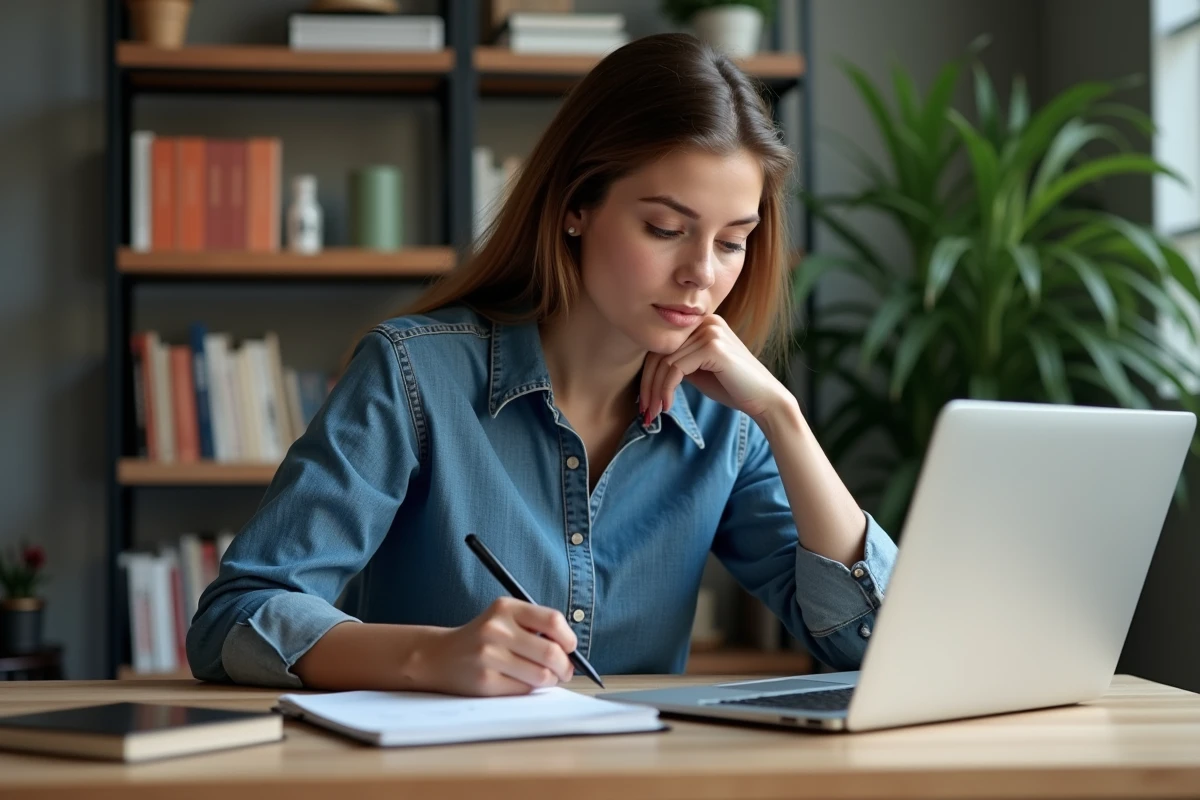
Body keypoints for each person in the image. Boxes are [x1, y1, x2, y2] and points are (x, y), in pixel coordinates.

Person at [185, 32, 898, 696]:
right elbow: (234, 619)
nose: (701, 275)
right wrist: (428, 656)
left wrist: (782, 416)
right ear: (576, 206)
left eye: (733, 241)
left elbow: (876, 645)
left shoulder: (727, 421)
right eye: (666, 229)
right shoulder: (413, 377)